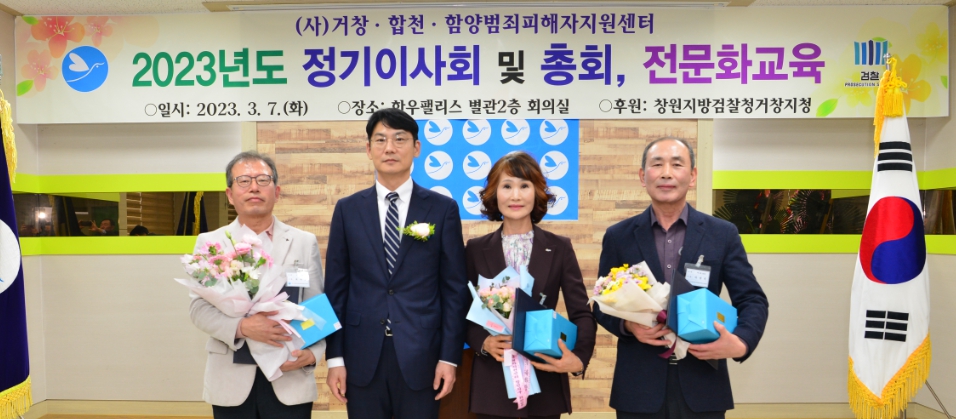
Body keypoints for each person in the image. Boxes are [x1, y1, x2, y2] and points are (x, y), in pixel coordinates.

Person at [593, 138, 769, 419]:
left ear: (693, 175)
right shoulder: (619, 236)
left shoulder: (722, 234)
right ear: (643, 176)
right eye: (657, 164)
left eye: (676, 164)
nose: (666, 173)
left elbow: (752, 299)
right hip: (638, 387)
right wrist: (628, 325)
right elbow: (601, 304)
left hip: (704, 385)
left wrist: (741, 341)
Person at [324, 108, 470, 419]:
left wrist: (449, 358)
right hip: (361, 356)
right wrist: (334, 358)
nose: (389, 148)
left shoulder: (442, 209)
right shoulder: (347, 210)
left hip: (423, 355)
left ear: (416, 147)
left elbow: (455, 290)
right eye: (380, 140)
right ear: (368, 149)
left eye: (399, 139)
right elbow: (335, 289)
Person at [188, 151, 326, 419]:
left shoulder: (303, 241)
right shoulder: (211, 243)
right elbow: (198, 310)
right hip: (231, 375)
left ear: (277, 191)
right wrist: (242, 327)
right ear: (230, 194)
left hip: (289, 370)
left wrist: (313, 353)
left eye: (263, 180)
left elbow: (315, 304)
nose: (254, 187)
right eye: (244, 181)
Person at [465, 151, 596, 419]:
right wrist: (483, 342)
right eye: (507, 186)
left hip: (545, 378)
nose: (516, 196)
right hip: (492, 384)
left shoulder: (559, 247)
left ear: (537, 193)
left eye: (524, 186)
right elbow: (460, 311)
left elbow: (582, 312)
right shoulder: (475, 249)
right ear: (494, 193)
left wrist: (579, 358)